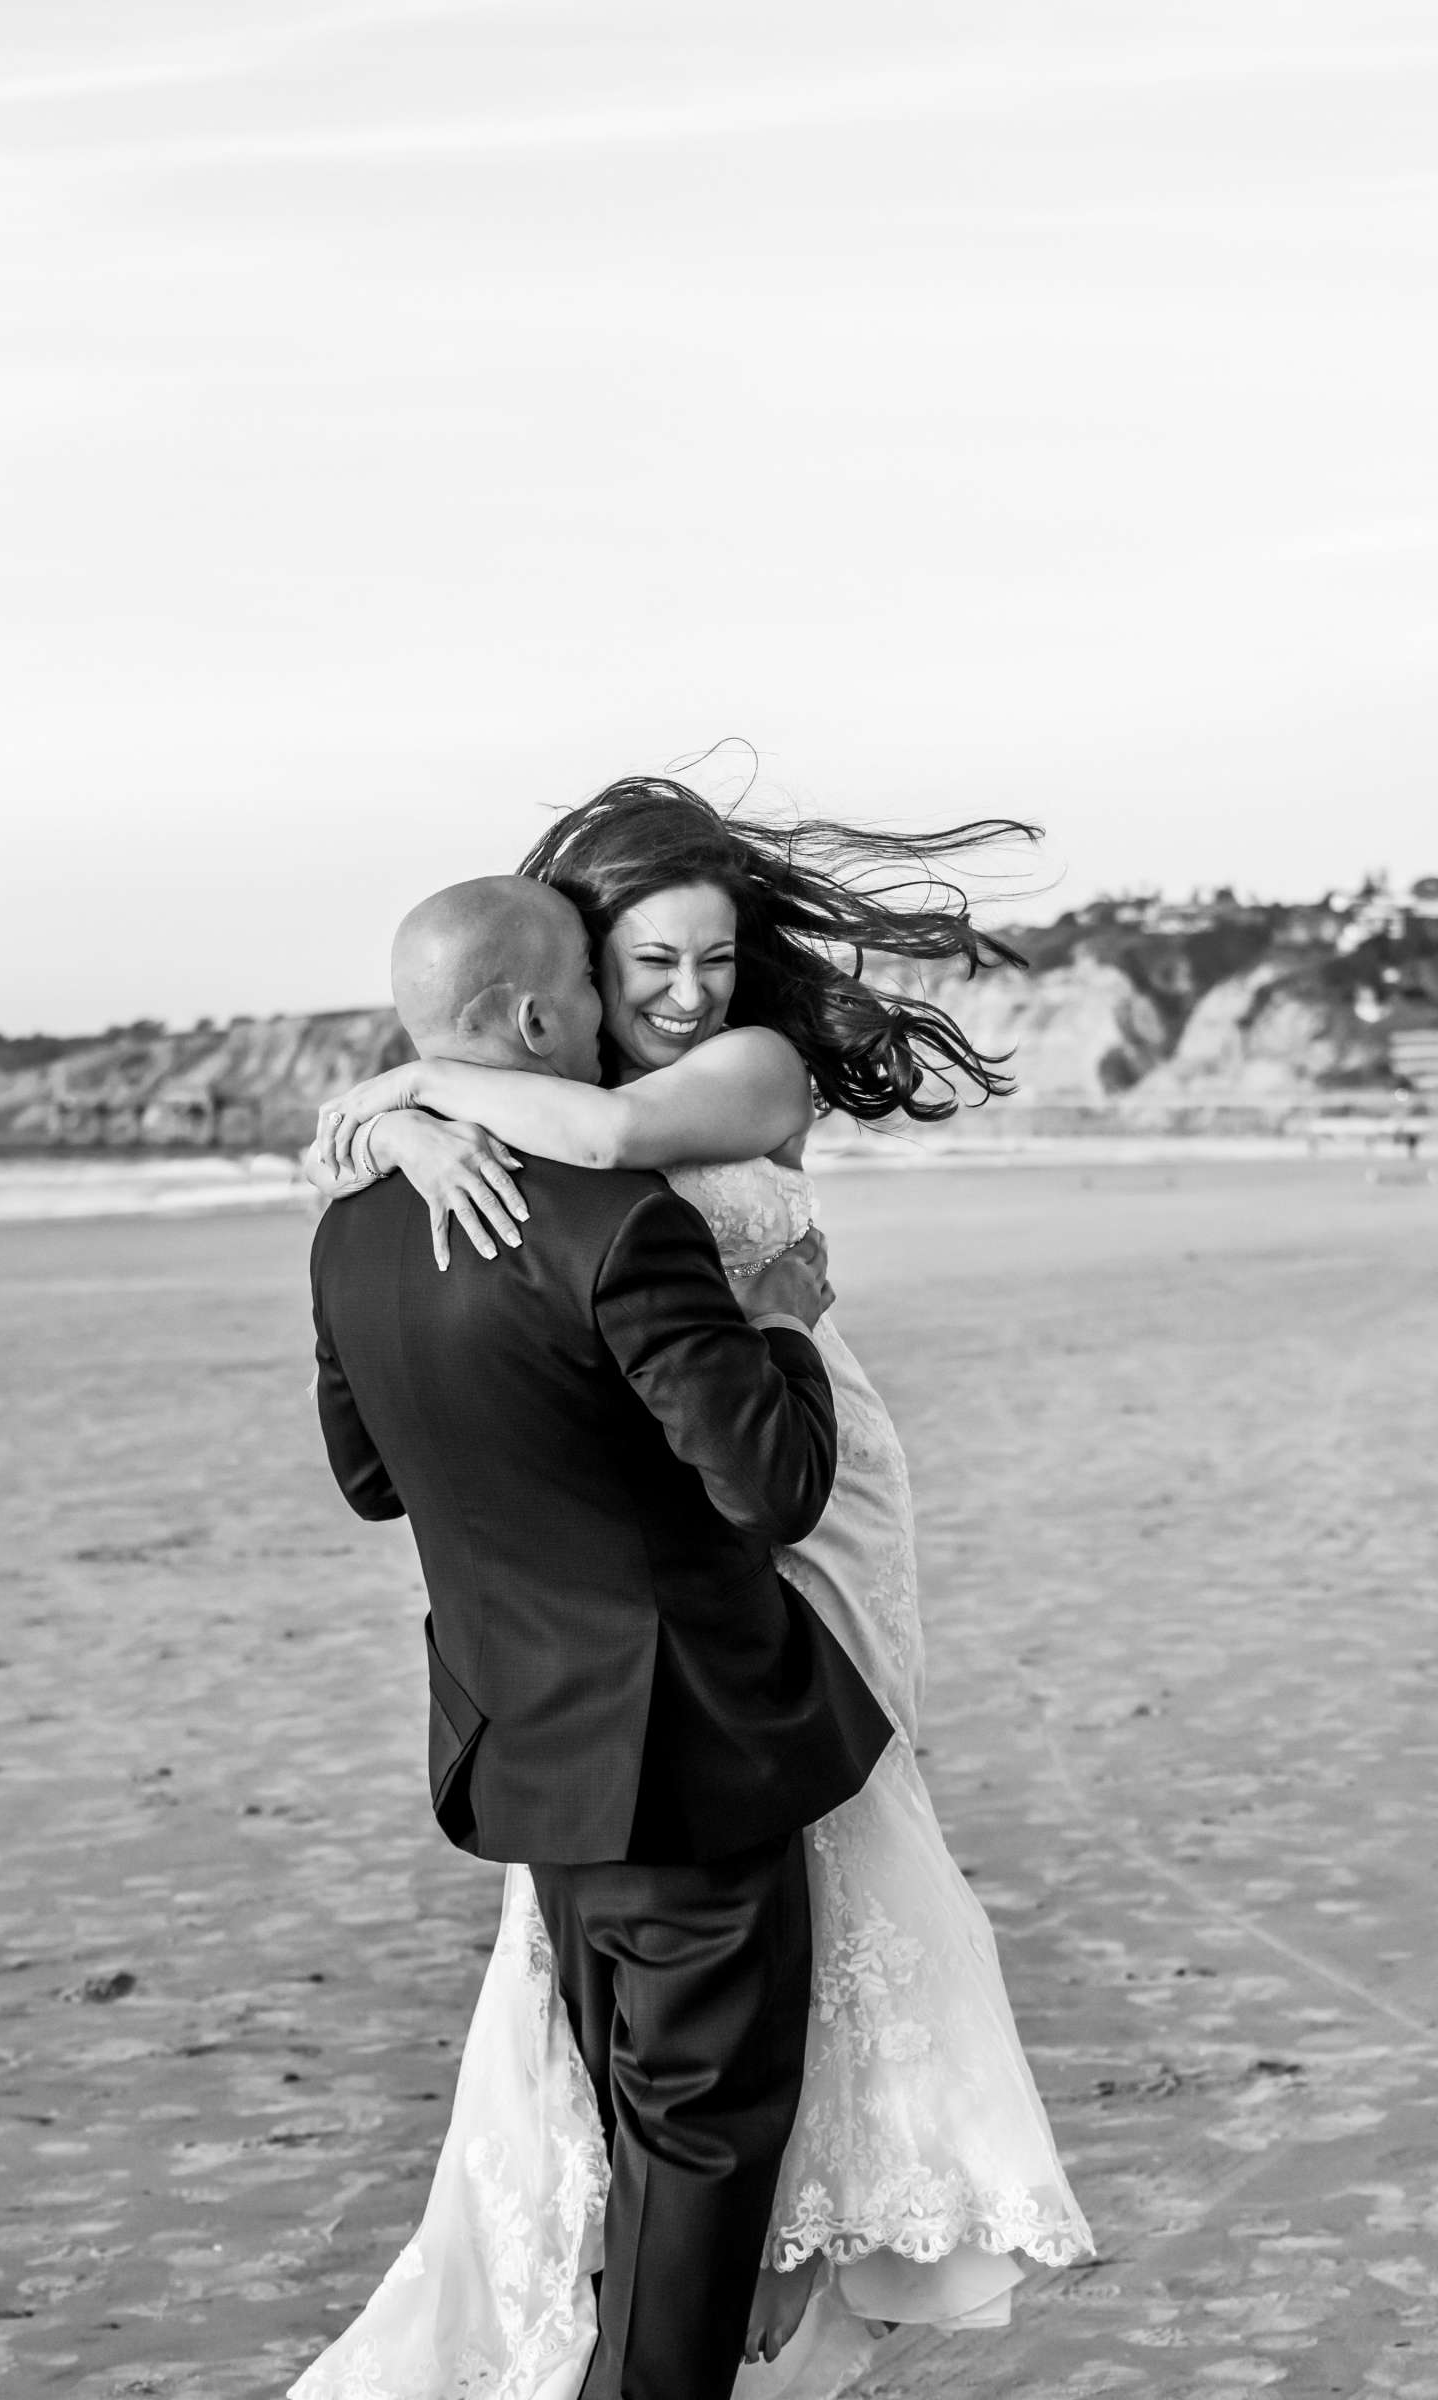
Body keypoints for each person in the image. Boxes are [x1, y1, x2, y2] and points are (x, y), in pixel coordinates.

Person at [295, 783, 1093, 2399]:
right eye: (643, 964)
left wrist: (403, 1104)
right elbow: (732, 1455)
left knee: (731, 2008)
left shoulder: (663, 1109)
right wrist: (418, 1107)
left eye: (714, 958)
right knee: (696, 2113)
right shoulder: (594, 1213)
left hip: (577, 1684)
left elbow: (384, 1467)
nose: (683, 994)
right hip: (688, 1638)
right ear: (567, 981)